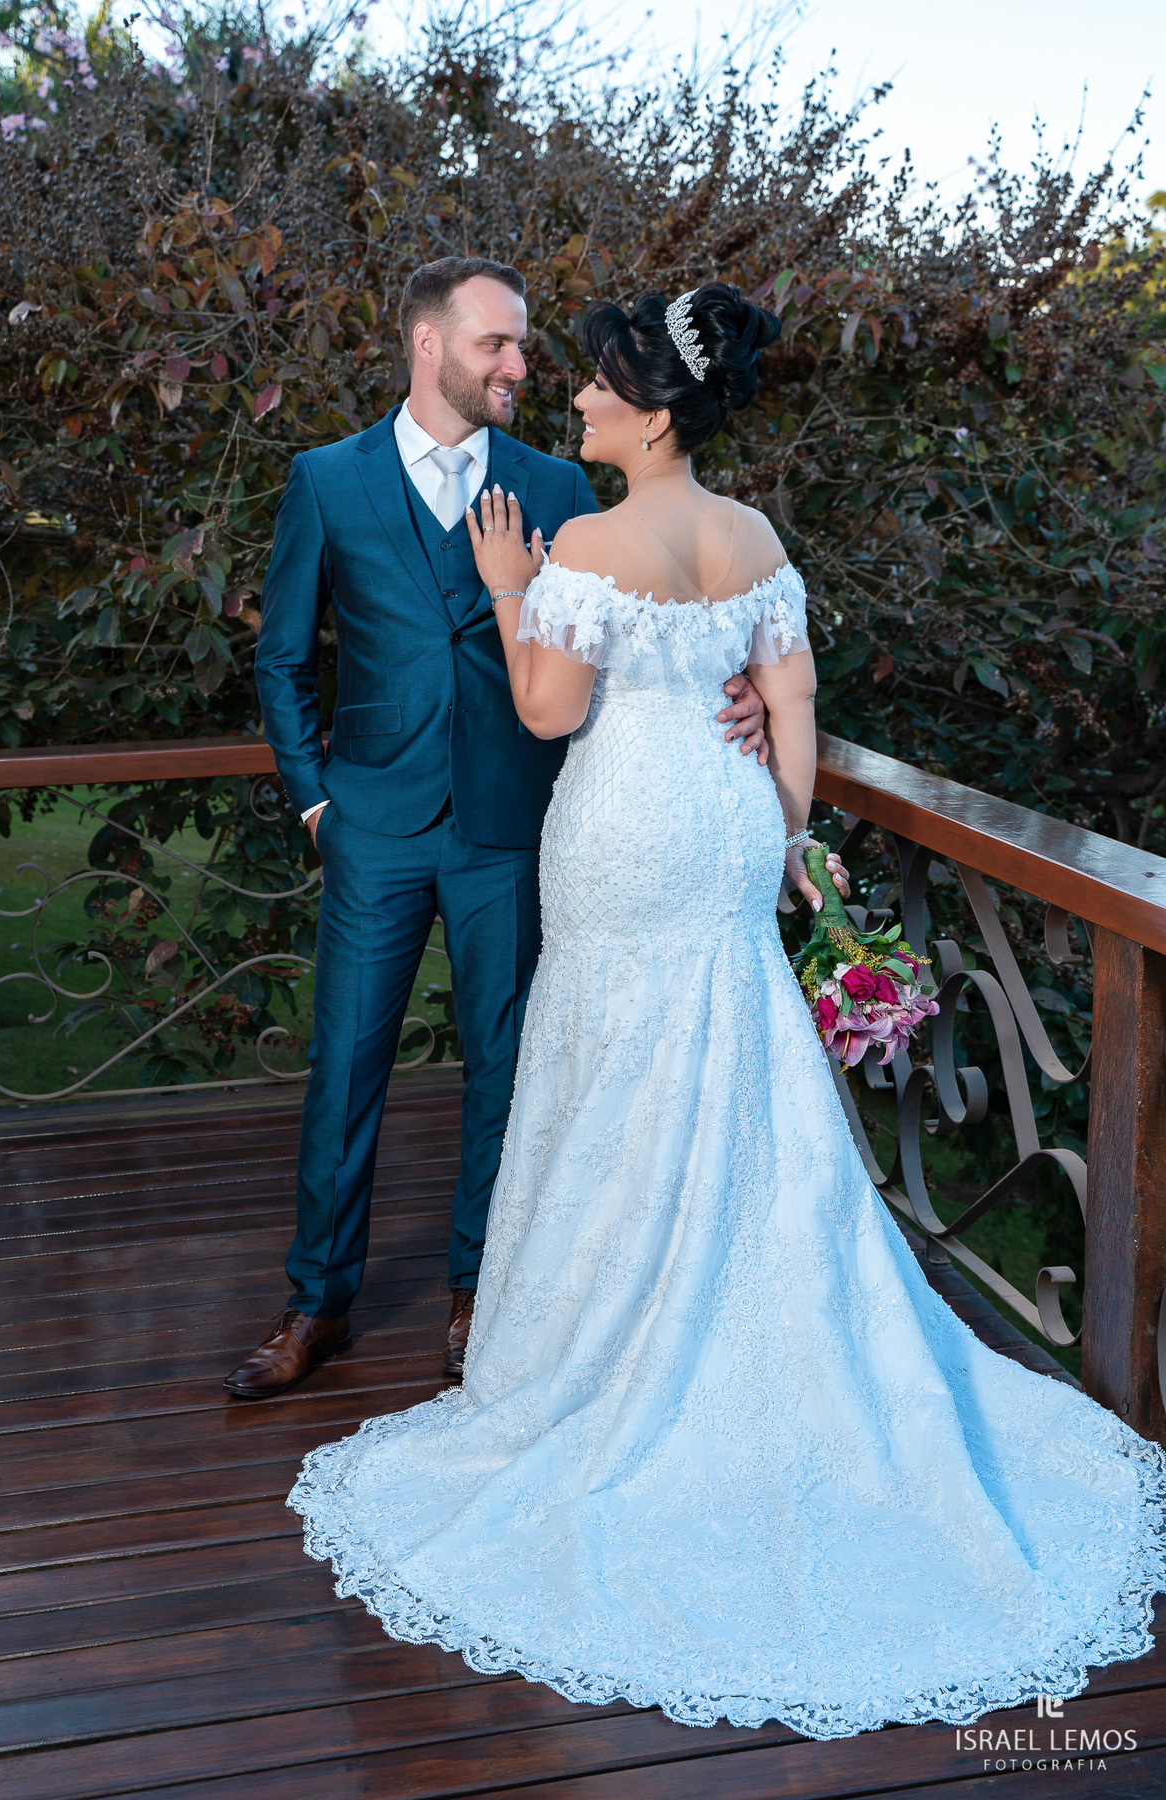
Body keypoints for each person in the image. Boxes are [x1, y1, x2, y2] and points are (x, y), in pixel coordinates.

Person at [286, 282, 1166, 1738]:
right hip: (725, 836)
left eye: (594, 387)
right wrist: (773, 788)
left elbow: (552, 713)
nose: (571, 400)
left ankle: (606, 1355)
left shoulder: (579, 536)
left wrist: (512, 591)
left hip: (624, 833)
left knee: (610, 1075)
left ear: (647, 404)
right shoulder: (754, 539)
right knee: (736, 1067)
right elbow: (796, 725)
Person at [226, 259, 770, 1396]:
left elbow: (643, 624)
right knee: (346, 1068)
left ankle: (483, 1293)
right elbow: (282, 657)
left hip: (514, 821)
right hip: (372, 819)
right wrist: (318, 796)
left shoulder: (559, 483)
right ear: (431, 348)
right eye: (497, 347)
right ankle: (316, 1301)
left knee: (507, 1068)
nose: (522, 367)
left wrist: (751, 690)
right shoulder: (326, 480)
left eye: (522, 346)